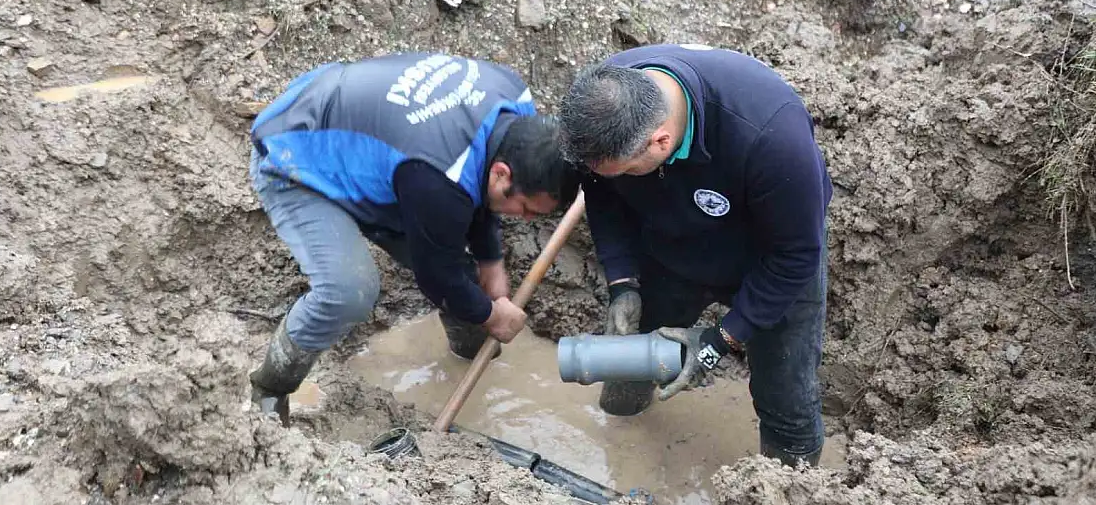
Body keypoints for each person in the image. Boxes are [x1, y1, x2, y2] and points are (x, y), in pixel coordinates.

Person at [247, 52, 580, 426]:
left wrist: (490, 258)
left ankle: (467, 352)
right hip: (297, 155)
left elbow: (475, 172)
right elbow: (436, 273)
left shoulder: (516, 103)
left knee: (463, 273)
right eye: (526, 209)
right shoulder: (435, 177)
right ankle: (270, 390)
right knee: (349, 291)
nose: (527, 219)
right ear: (503, 175)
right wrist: (489, 314)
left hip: (369, 136)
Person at [556, 44, 832, 468]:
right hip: (672, 245)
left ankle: (791, 482)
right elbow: (603, 197)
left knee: (786, 399)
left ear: (660, 141)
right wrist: (623, 282)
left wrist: (718, 340)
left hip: (769, 259)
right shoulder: (605, 99)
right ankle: (619, 454)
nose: (616, 178)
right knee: (631, 364)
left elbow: (795, 256)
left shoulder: (771, 138)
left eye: (627, 170)